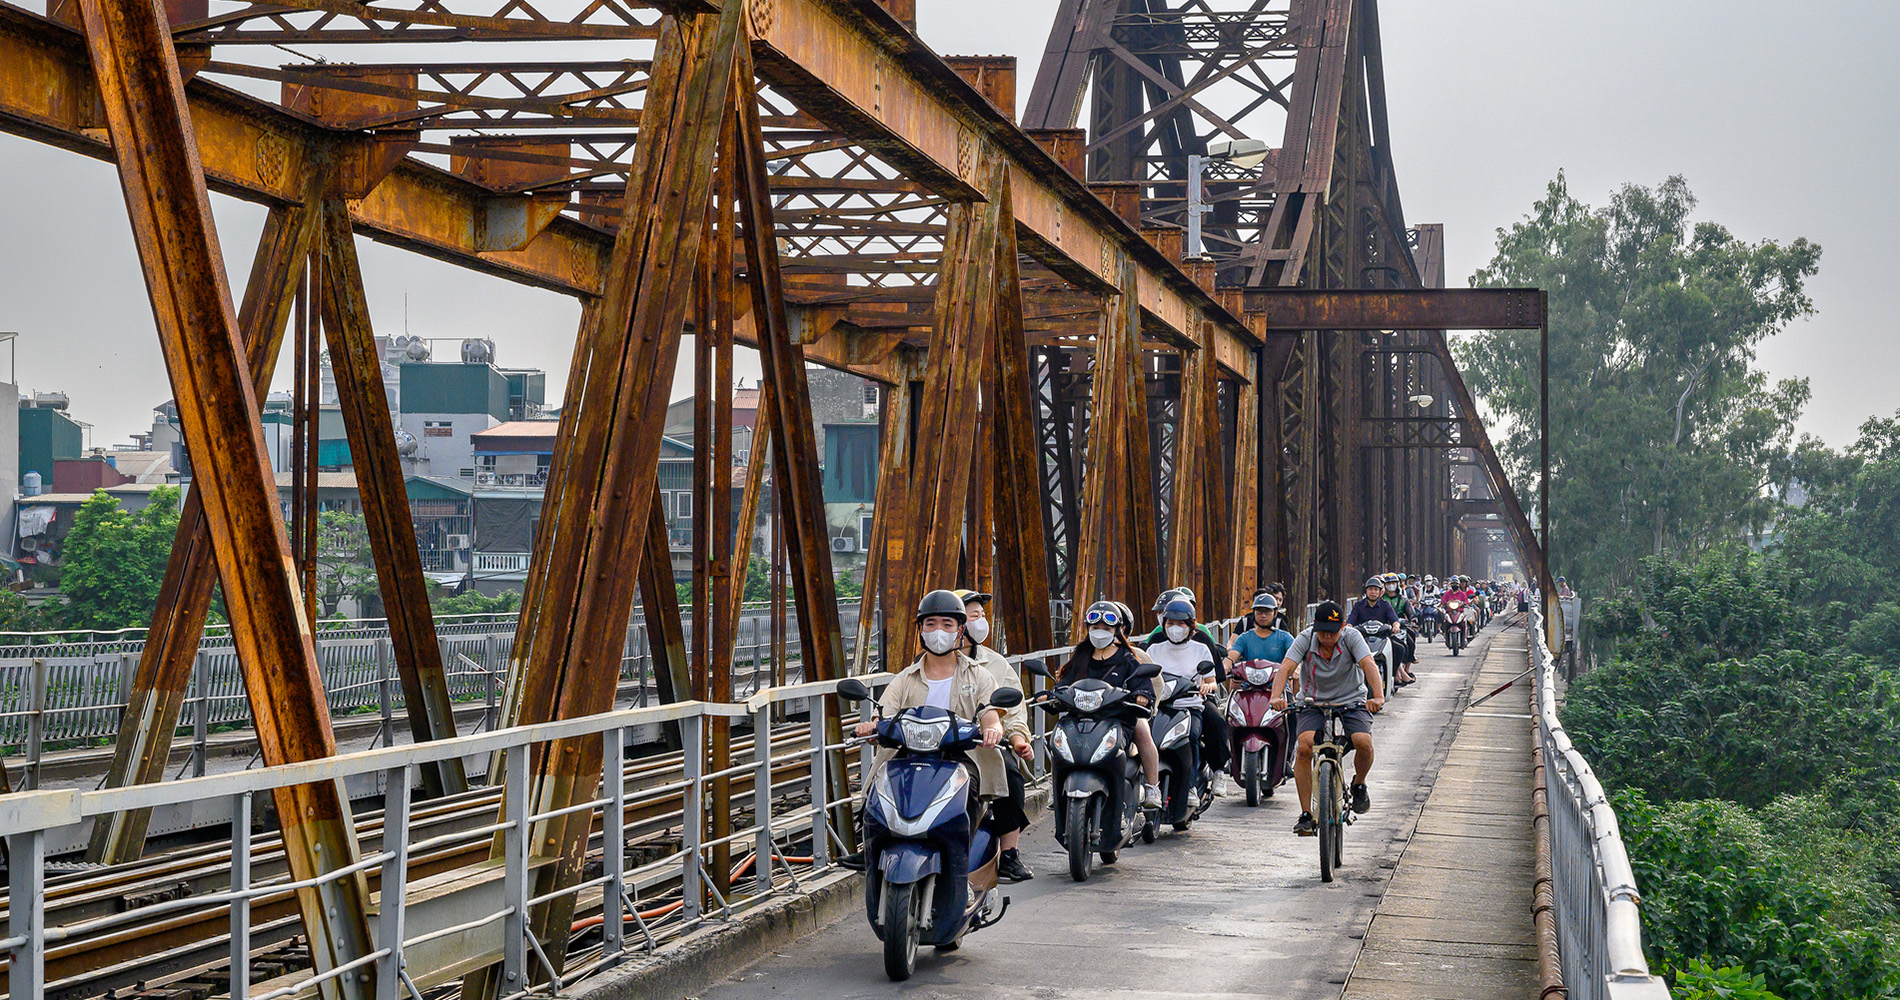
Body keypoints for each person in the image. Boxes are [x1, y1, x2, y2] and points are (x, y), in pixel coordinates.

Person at [841, 590, 1008, 871]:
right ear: (920, 629)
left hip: (959, 758)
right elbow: (883, 714)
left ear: (959, 630)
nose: (938, 631)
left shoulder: (979, 675)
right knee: (876, 794)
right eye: (930, 624)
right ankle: (871, 849)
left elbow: (989, 713)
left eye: (947, 624)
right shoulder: (905, 678)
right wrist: (870, 727)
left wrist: (992, 728)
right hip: (908, 756)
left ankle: (961, 863)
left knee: (967, 798)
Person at [1270, 600, 1385, 836]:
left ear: (1342, 627)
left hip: (1351, 700)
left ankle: (1359, 784)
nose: (1327, 637)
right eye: (1322, 632)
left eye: (1333, 632)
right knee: (1304, 747)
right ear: (1315, 626)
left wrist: (1378, 696)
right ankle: (1305, 814)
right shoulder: (1305, 638)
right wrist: (1275, 696)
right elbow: (1286, 668)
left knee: (1363, 742)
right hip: (1313, 702)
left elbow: (1368, 664)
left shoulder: (1352, 637)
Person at [955, 589, 1036, 883]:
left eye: (982, 615)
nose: (981, 621)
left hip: (981, 745)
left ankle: (1009, 852)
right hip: (933, 745)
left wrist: (1017, 739)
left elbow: (1011, 710)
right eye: (974, 615)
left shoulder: (994, 664)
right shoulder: (926, 664)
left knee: (1008, 773)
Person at [1060, 600, 1163, 808]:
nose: (1100, 633)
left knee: (1142, 731)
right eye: (1095, 628)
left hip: (1119, 715)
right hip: (1082, 715)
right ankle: (1058, 784)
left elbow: (1142, 682)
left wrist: (1141, 695)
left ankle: (1153, 787)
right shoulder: (1081, 656)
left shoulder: (1128, 657)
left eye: (1106, 629)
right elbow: (1065, 681)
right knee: (1060, 735)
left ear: (1117, 630)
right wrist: (1052, 694)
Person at [1140, 597, 1226, 805]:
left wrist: (1207, 686)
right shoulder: (1154, 650)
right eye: (1170, 623)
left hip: (1190, 704)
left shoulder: (1200, 649)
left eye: (1180, 624)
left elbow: (1212, 680)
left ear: (1190, 626)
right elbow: (1144, 677)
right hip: (1161, 705)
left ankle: (1194, 786)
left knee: (1194, 735)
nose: (1175, 628)